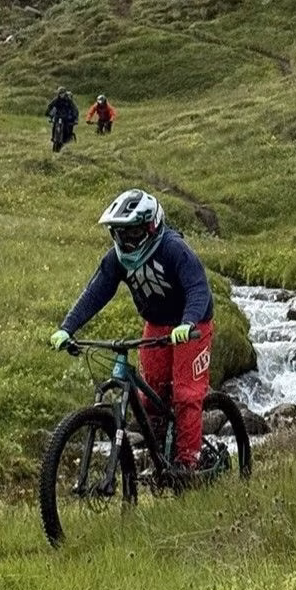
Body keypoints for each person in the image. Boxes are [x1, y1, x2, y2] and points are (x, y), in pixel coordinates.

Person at [48, 189, 215, 469]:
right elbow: (94, 294)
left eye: (134, 233)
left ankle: (189, 462)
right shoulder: (116, 259)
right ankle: (160, 458)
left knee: (186, 395)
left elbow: (198, 288)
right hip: (156, 326)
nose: (127, 241)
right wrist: (68, 328)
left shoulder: (173, 248)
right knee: (151, 398)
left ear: (152, 226)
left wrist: (188, 323)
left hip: (192, 325)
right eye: (120, 234)